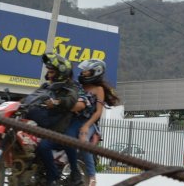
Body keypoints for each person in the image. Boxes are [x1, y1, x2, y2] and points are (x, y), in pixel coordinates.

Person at [31, 53, 83, 184]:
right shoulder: (47, 86)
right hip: (43, 126)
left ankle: (53, 177)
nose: (48, 75)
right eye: (48, 71)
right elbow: (32, 97)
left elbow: (71, 99)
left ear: (61, 73)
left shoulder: (71, 87)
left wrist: (57, 102)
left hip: (59, 130)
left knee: (43, 146)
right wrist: (16, 102)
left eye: (51, 72)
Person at [75, 59, 121, 186]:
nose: (83, 73)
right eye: (83, 70)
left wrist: (86, 126)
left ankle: (92, 176)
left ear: (95, 73)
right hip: (74, 120)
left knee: (83, 141)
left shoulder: (98, 89)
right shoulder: (79, 86)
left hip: (89, 122)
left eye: (86, 71)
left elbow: (98, 112)